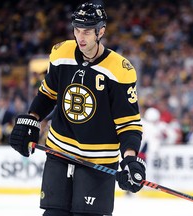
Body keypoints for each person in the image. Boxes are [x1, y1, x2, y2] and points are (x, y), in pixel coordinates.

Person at [9, 2, 146, 216]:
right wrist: (32, 118)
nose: (80, 38)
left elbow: (128, 124)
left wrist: (129, 159)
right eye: (77, 30)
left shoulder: (120, 70)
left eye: (87, 32)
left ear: (101, 31)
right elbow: (48, 93)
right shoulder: (60, 53)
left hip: (98, 159)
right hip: (59, 150)